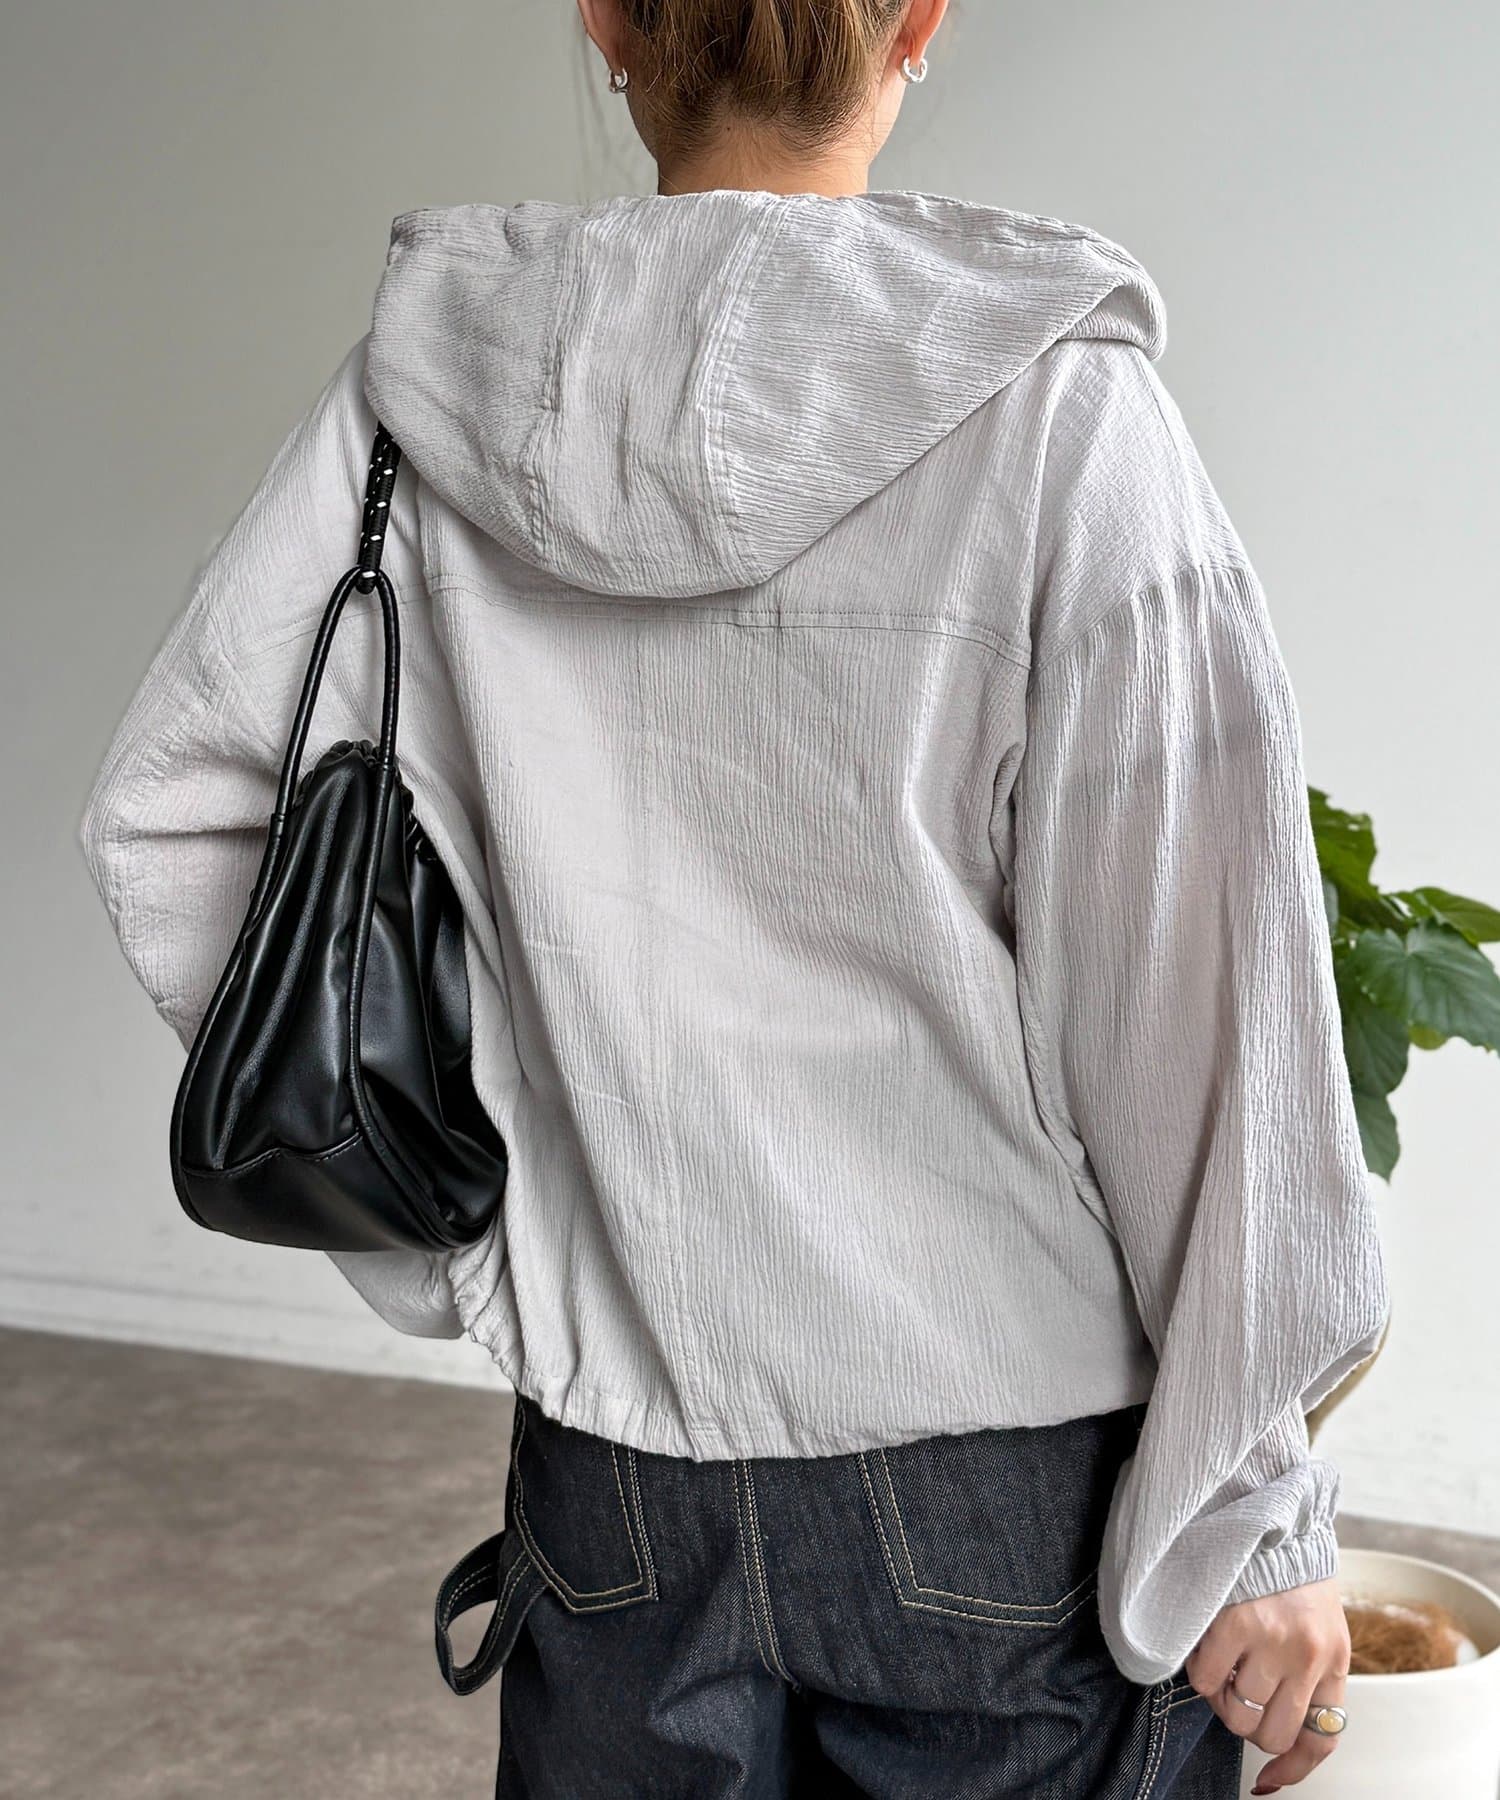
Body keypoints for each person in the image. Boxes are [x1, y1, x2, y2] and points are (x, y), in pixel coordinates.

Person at [76, 0, 1390, 1793]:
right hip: (1004, 1483)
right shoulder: (1059, 417)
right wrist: (1258, 1514)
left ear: (607, 22)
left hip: (616, 1467)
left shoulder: (419, 403)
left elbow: (170, 815)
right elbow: (1200, 1010)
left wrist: (471, 1232)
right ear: (916, 20)